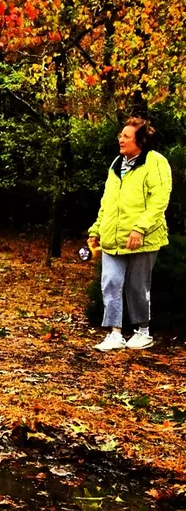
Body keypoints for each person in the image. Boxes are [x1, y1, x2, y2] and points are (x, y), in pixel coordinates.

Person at [87, 116, 172, 351]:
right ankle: (115, 333)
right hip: (113, 237)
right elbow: (107, 202)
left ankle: (142, 331)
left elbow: (160, 200)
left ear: (141, 140)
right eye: (120, 135)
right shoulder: (117, 163)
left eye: (126, 136)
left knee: (137, 285)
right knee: (111, 282)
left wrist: (139, 228)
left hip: (142, 238)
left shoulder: (155, 162)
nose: (120, 139)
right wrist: (96, 230)